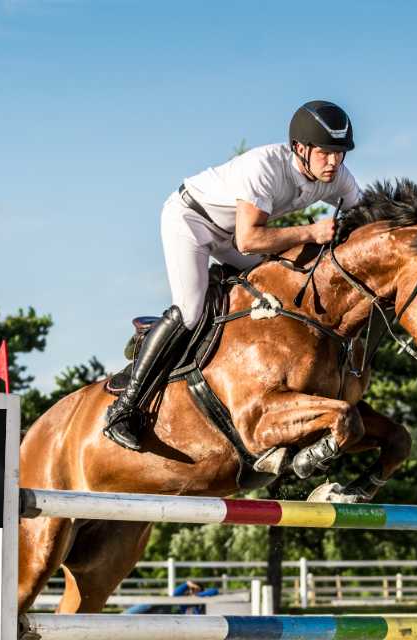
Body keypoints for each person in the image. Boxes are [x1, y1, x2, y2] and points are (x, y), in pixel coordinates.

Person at [104, 100, 364, 451]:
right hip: (192, 221)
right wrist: (310, 233)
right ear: (300, 148)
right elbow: (249, 239)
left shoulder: (338, 178)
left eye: (340, 153)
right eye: (325, 153)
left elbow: (368, 225)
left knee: (281, 286)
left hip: (233, 236)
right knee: (191, 310)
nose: (333, 162)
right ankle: (125, 407)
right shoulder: (266, 167)